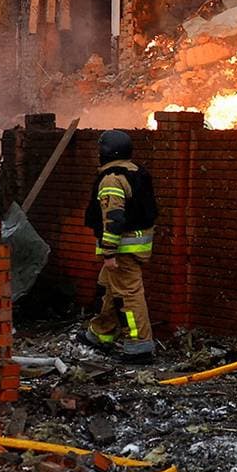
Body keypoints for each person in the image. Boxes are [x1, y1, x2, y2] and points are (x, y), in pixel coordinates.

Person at [82, 128, 158, 360]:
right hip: (134, 245)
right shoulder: (135, 172)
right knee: (107, 288)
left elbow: (114, 219)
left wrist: (109, 253)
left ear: (106, 152)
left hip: (122, 250)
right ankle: (100, 333)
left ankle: (139, 345)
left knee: (128, 295)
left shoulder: (112, 178)